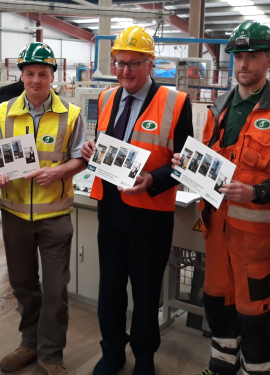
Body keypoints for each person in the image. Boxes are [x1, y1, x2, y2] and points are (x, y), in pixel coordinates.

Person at [172, 21, 270, 375]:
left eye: (253, 56)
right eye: (238, 56)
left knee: (253, 311)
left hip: (255, 240)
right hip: (216, 230)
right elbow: (211, 163)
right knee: (216, 301)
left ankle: (259, 371)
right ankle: (222, 367)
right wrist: (187, 165)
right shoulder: (219, 110)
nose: (243, 63)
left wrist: (256, 192)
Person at [80, 25, 193, 375]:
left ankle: (145, 356)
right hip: (110, 210)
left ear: (150, 64)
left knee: (145, 292)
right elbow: (107, 148)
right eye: (119, 63)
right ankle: (112, 351)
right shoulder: (106, 98)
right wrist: (90, 152)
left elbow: (186, 164)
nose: (125, 71)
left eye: (133, 63)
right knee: (110, 287)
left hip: (150, 216)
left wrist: (152, 180)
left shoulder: (176, 103)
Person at [0, 42, 86, 375]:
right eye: (29, 73)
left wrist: (59, 171)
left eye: (42, 74)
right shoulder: (2, 112)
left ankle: (51, 355)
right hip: (14, 215)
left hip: (55, 217)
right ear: (21, 75)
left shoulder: (70, 114)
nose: (35, 80)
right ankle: (29, 344)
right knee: (24, 286)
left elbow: (80, 158)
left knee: (56, 290)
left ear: (53, 76)